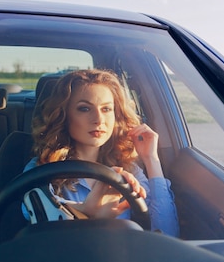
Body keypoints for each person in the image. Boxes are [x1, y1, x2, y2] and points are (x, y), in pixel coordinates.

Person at [23, 69, 179, 237]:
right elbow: (42, 220)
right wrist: (86, 214)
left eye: (106, 109)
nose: (98, 119)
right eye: (84, 109)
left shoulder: (129, 169)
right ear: (64, 115)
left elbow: (167, 235)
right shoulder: (42, 168)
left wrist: (151, 160)